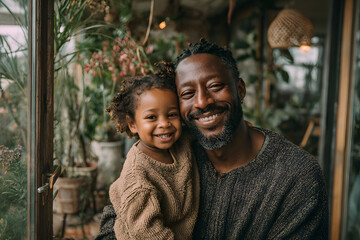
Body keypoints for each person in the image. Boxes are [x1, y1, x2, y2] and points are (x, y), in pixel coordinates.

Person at [96, 39, 328, 240]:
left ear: (240, 90)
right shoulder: (167, 153)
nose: (202, 102)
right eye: (187, 94)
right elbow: (113, 223)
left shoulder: (297, 176)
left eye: (215, 86)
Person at [104, 71, 199, 240]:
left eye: (171, 114)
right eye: (151, 117)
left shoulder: (182, 141)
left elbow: (204, 132)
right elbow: (146, 232)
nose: (164, 124)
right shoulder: (138, 178)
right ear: (133, 124)